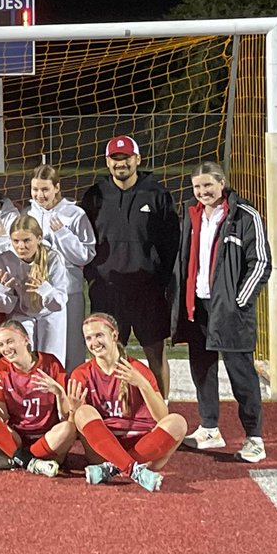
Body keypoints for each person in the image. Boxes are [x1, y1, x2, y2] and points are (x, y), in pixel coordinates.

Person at [172, 161, 272, 462]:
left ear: (222, 183)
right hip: (197, 307)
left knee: (241, 375)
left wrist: (239, 300)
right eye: (197, 187)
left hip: (229, 309)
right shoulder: (191, 213)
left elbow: (262, 262)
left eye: (208, 185)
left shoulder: (245, 215)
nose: (202, 191)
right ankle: (209, 427)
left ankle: (254, 438)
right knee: (202, 369)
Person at [81, 135, 180, 396]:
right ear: (108, 162)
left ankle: (162, 411)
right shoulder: (94, 195)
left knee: (155, 353)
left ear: (137, 159)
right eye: (115, 159)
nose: (120, 164)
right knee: (107, 355)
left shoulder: (157, 194)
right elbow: (83, 238)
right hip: (108, 290)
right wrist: (92, 276)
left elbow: (172, 241)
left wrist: (160, 280)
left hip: (147, 290)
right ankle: (112, 409)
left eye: (125, 158)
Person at [69, 313, 187, 492]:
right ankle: (133, 470)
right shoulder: (82, 373)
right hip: (104, 447)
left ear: (114, 336)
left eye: (99, 335)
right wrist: (72, 410)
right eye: (89, 338)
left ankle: (114, 469)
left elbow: (163, 417)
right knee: (82, 412)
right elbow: (77, 425)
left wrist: (142, 384)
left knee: (178, 422)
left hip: (142, 447)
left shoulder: (138, 369)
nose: (94, 342)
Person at [0, 320, 77, 477]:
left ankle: (14, 461)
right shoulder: (1, 366)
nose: (6, 349)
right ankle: (29, 461)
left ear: (25, 340)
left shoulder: (50, 363)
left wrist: (59, 393)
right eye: (1, 345)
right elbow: (2, 416)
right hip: (16, 439)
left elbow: (65, 416)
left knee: (68, 429)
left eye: (10, 342)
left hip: (46, 437)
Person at [24, 165, 96, 372]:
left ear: (56, 187)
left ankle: (72, 394)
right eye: (35, 189)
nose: (39, 195)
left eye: (45, 189)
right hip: (35, 291)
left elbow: (85, 255)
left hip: (68, 292)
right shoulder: (28, 214)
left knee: (71, 347)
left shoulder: (74, 214)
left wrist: (63, 235)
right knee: (38, 347)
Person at [0, 215, 69, 366]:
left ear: (38, 239)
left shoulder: (53, 259)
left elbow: (59, 303)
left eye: (26, 241)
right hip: (22, 314)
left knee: (51, 361)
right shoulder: (6, 260)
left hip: (50, 315)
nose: (21, 246)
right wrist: (0, 291)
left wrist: (45, 290)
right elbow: (5, 308)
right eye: (16, 241)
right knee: (22, 357)